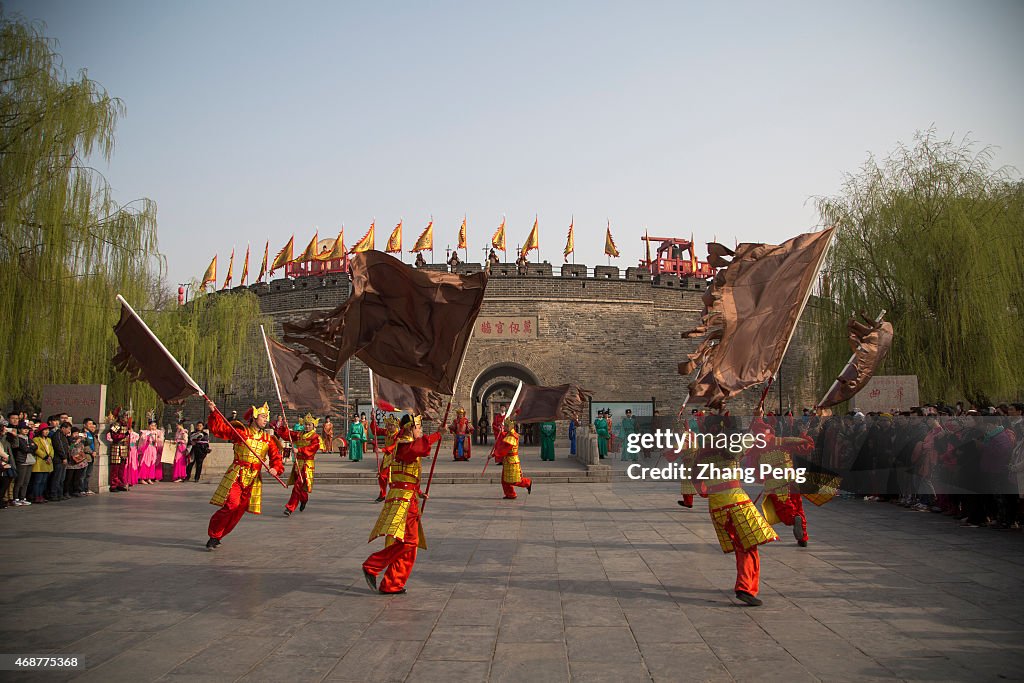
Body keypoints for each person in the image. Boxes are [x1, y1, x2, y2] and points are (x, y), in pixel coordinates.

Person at [693, 414, 777, 606]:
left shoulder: (702, 453)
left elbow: (701, 490)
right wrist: (758, 421)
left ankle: (745, 584)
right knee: (748, 545)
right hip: (736, 502)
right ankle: (745, 587)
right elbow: (757, 439)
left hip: (716, 506)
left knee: (742, 545)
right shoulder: (729, 445)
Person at [363, 414, 442, 594]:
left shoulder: (405, 446)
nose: (420, 431)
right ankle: (372, 564)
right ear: (410, 428)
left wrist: (419, 492)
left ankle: (392, 583)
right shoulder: (405, 446)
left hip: (408, 496)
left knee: (410, 546)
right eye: (419, 427)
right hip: (403, 501)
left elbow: (405, 474)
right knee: (409, 541)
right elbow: (419, 449)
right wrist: (437, 435)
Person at [205, 401, 284, 550]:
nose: (266, 419)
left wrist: (275, 468)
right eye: (262, 416)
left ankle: (218, 536)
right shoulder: (241, 432)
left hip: (253, 479)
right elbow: (220, 429)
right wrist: (214, 412)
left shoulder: (268, 440)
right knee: (231, 505)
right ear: (254, 417)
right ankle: (213, 534)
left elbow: (276, 459)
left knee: (238, 511)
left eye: (267, 417)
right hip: (238, 474)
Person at [276, 413, 325, 516]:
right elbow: (287, 435)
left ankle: (290, 507)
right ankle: (304, 499)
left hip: (307, 464)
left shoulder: (315, 437)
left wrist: (299, 450)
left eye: (309, 425)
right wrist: (284, 426)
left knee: (298, 485)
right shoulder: (299, 434)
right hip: (298, 463)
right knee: (300, 486)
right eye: (306, 424)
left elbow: (312, 448)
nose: (307, 426)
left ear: (313, 426)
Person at [493, 417, 532, 499]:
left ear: (510, 427)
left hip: (512, 461)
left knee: (514, 480)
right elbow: (504, 435)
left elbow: (504, 449)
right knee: (504, 480)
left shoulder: (512, 437)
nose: (505, 428)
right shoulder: (509, 434)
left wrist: (494, 455)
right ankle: (510, 494)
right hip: (507, 460)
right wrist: (500, 431)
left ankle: (527, 483)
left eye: (506, 426)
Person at [369, 414, 401, 502]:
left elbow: (394, 446)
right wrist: (373, 420)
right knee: (382, 476)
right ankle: (383, 494)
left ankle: (395, 495)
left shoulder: (398, 435)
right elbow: (375, 430)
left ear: (395, 425)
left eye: (391, 425)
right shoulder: (387, 432)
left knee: (394, 478)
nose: (389, 427)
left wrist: (382, 450)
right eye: (388, 425)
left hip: (396, 458)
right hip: (387, 457)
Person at [8, 420, 35, 505]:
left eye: (27, 429)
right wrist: (30, 447)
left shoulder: (29, 438)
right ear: (19, 430)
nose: (26, 430)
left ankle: (23, 497)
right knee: (19, 481)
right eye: (24, 429)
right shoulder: (19, 438)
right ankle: (16, 498)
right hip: (22, 461)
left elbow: (35, 446)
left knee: (26, 481)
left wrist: (30, 446)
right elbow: (25, 449)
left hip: (30, 461)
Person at [105, 410, 131, 492]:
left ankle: (120, 483)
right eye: (125, 416)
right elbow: (114, 436)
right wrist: (124, 435)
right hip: (116, 448)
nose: (126, 418)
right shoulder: (116, 424)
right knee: (115, 468)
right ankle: (114, 485)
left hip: (124, 448)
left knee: (121, 468)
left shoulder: (126, 425)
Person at [48, 420, 72, 500]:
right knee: (57, 478)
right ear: (63, 428)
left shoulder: (64, 436)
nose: (69, 431)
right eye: (68, 429)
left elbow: (67, 447)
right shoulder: (57, 435)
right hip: (59, 460)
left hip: (63, 460)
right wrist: (64, 457)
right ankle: (53, 494)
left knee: (62, 478)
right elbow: (59, 447)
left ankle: (60, 494)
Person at [31, 423, 54, 504]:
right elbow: (37, 449)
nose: (47, 431)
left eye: (48, 430)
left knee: (44, 481)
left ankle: (41, 495)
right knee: (38, 481)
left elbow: (51, 449)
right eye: (45, 430)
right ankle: (36, 496)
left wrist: (50, 457)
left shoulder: (49, 440)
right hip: (40, 462)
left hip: (48, 462)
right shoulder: (36, 439)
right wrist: (45, 457)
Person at [78, 418, 98, 495]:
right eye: (89, 424)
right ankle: (81, 489)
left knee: (88, 474)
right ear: (84, 425)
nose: (91, 425)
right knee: (83, 474)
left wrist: (95, 451)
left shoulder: (91, 434)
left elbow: (95, 443)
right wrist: (91, 451)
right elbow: (83, 445)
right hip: (86, 456)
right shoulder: (82, 433)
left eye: (92, 424)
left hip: (92, 457)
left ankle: (86, 488)